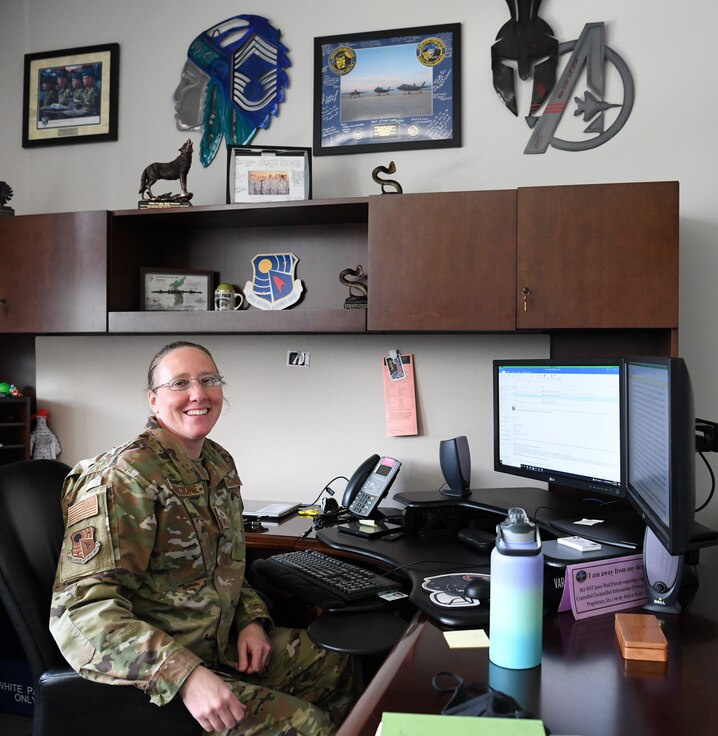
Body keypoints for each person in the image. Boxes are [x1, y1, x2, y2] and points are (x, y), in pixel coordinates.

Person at [50, 341, 361, 735]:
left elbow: (226, 567)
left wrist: (251, 620)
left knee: (338, 662)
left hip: (219, 648)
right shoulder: (123, 478)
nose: (198, 393)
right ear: (153, 399)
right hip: (157, 678)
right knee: (311, 727)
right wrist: (185, 675)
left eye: (209, 380)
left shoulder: (216, 463)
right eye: (180, 383)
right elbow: (82, 616)